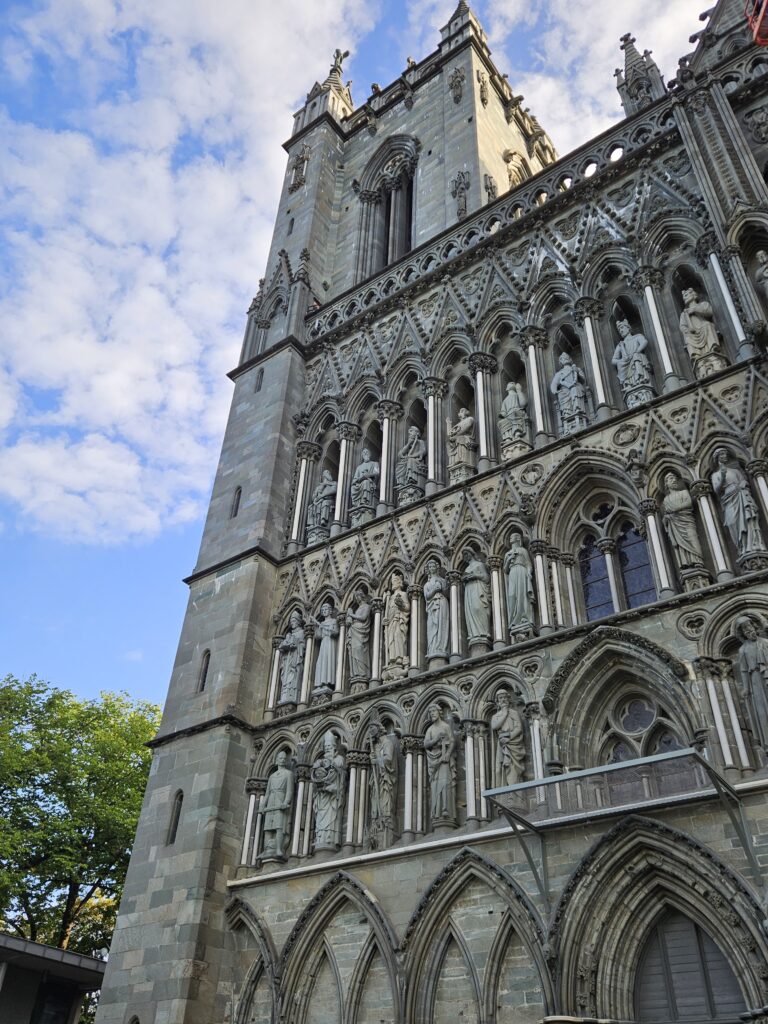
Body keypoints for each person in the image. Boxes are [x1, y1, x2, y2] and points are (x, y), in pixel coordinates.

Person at [710, 448, 766, 556]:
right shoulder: (715, 475)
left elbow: (744, 481)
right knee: (732, 523)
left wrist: (743, 484)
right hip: (729, 500)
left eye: (725, 453)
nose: (725, 455)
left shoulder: (735, 471)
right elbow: (717, 490)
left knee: (748, 520)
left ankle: (754, 545)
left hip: (741, 496)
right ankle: (742, 548)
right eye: (722, 454)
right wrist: (722, 476)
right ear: (717, 458)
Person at [735, 616, 768, 753]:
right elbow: (743, 670)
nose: (748, 630)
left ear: (754, 626)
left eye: (749, 626)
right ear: (742, 632)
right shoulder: (743, 650)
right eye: (744, 628)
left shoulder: (766, 642)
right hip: (755, 680)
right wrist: (746, 688)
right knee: (762, 713)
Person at [679, 287, 726, 377]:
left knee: (707, 325)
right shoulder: (684, 314)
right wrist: (688, 330)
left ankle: (713, 350)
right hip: (694, 334)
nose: (685, 298)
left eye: (686, 295)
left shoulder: (703, 305)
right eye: (684, 297)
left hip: (704, 329)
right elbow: (683, 326)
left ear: (694, 295)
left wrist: (695, 309)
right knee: (688, 338)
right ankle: (697, 357)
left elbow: (709, 312)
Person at [661, 472, 704, 568]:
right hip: (675, 524)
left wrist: (675, 509)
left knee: (692, 538)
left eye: (675, 478)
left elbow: (688, 503)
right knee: (681, 545)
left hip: (687, 520)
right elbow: (666, 516)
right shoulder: (666, 500)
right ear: (666, 484)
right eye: (671, 479)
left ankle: (698, 560)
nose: (674, 480)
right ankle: (686, 563)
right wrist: (666, 519)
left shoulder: (684, 492)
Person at [311, 731, 346, 850]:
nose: (328, 750)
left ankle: (330, 838)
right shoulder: (322, 761)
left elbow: (337, 771)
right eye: (326, 748)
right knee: (320, 819)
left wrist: (327, 763)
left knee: (331, 818)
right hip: (323, 796)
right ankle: (320, 838)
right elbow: (316, 773)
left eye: (330, 747)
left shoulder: (339, 759)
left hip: (333, 796)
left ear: (335, 747)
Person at [423, 704, 456, 824]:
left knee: (445, 783)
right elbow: (426, 744)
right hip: (433, 760)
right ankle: (436, 812)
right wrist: (436, 739)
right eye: (430, 712)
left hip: (444, 758)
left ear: (439, 712)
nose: (432, 713)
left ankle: (446, 809)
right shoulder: (430, 729)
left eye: (434, 711)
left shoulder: (446, 726)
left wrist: (447, 753)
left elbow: (452, 741)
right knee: (435, 786)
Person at [367, 719, 398, 849]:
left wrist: (376, 760)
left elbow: (388, 759)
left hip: (385, 779)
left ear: (379, 729)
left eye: (372, 728)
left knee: (385, 801)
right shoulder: (376, 746)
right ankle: (375, 824)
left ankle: (386, 824)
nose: (370, 732)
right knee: (375, 801)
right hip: (377, 779)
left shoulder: (387, 743)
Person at [260, 751, 294, 858]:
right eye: (280, 758)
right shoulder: (272, 776)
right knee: (268, 828)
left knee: (279, 826)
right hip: (271, 801)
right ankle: (266, 850)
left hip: (280, 800)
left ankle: (279, 849)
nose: (282, 759)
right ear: (276, 760)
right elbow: (267, 793)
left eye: (284, 758)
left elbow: (289, 791)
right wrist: (262, 805)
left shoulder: (289, 774)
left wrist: (285, 802)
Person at [490, 689, 526, 787]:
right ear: (497, 700)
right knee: (499, 769)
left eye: (505, 697)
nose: (503, 700)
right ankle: (503, 791)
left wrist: (509, 737)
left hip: (513, 742)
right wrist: (505, 714)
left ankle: (514, 795)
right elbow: (494, 726)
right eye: (500, 698)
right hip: (502, 744)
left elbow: (518, 728)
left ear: (508, 699)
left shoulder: (514, 713)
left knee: (513, 768)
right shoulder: (496, 716)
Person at [612, 319, 654, 401]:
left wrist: (636, 352)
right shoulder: (621, 345)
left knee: (636, 357)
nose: (621, 330)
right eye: (619, 329)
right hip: (627, 363)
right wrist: (621, 361)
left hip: (637, 358)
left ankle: (641, 380)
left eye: (622, 328)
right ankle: (629, 385)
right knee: (621, 364)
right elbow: (614, 360)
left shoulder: (637, 337)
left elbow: (644, 342)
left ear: (628, 328)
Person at [550, 352, 588, 433]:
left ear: (570, 359)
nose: (565, 359)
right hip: (564, 392)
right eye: (562, 358)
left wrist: (577, 372)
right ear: (560, 362)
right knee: (563, 394)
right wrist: (556, 391)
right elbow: (554, 385)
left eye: (566, 357)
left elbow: (583, 379)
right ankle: (568, 417)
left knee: (575, 389)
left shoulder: (576, 369)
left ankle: (577, 410)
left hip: (575, 387)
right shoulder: (559, 373)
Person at [504, 533, 534, 633]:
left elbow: (528, 564)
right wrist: (509, 559)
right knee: (512, 596)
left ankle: (524, 617)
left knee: (522, 595)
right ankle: (513, 620)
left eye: (512, 537)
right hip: (512, 573)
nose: (510, 538)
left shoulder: (523, 550)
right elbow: (505, 569)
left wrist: (529, 573)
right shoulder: (507, 553)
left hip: (521, 571)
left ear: (517, 539)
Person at [383, 570, 410, 677]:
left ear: (400, 582)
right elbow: (388, 612)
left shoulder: (403, 594)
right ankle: (392, 660)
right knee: (390, 641)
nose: (393, 583)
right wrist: (385, 621)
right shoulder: (389, 598)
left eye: (395, 581)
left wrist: (401, 605)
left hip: (399, 620)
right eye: (392, 581)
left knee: (398, 636)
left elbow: (407, 607)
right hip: (391, 623)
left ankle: (400, 658)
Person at [462, 549, 491, 646]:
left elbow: (486, 578)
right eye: (464, 555)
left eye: (467, 554)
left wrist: (475, 576)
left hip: (478, 588)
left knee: (479, 608)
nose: (466, 556)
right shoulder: (467, 568)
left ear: (472, 554)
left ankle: (483, 633)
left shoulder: (479, 564)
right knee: (471, 612)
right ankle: (474, 635)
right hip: (469, 591)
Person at [423, 559, 450, 659]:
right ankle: (433, 649)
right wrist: (435, 589)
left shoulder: (442, 580)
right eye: (429, 567)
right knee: (432, 627)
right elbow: (427, 596)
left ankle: (441, 647)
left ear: (437, 567)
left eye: (433, 566)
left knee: (441, 625)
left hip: (442, 603)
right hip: (432, 607)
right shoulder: (427, 584)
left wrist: (443, 588)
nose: (431, 568)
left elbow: (447, 594)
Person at [278, 610, 305, 703]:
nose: (292, 623)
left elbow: (303, 646)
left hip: (295, 659)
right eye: (291, 622)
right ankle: (284, 697)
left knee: (293, 676)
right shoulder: (289, 635)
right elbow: (280, 646)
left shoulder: (301, 632)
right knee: (285, 679)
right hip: (287, 660)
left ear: (298, 622)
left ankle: (292, 696)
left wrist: (295, 644)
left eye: (294, 621)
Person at [311, 602, 338, 692]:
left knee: (328, 661)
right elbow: (318, 636)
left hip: (330, 643)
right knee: (321, 662)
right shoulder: (322, 622)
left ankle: (327, 682)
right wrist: (316, 627)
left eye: (326, 609)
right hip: (323, 643)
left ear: (330, 611)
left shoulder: (333, 621)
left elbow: (335, 632)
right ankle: (320, 683)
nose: (324, 611)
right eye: (322, 610)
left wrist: (327, 628)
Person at [346, 588, 371, 681]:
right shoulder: (358, 609)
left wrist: (351, 615)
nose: (357, 598)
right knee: (353, 652)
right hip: (353, 631)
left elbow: (363, 617)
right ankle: (356, 674)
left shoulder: (366, 607)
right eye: (356, 597)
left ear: (362, 596)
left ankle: (362, 673)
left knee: (359, 649)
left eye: (358, 596)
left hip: (361, 632)